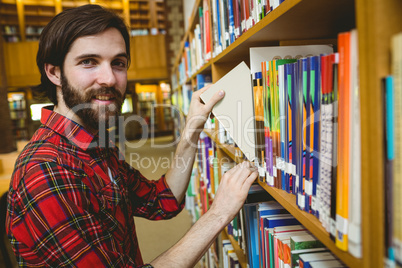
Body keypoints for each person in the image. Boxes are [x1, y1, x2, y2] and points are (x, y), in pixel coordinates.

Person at [6, 4, 258, 268]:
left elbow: (162, 201)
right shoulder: (46, 171)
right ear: (54, 72)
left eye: (118, 63)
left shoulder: (94, 146)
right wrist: (217, 214)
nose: (109, 79)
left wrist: (192, 127)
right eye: (88, 62)